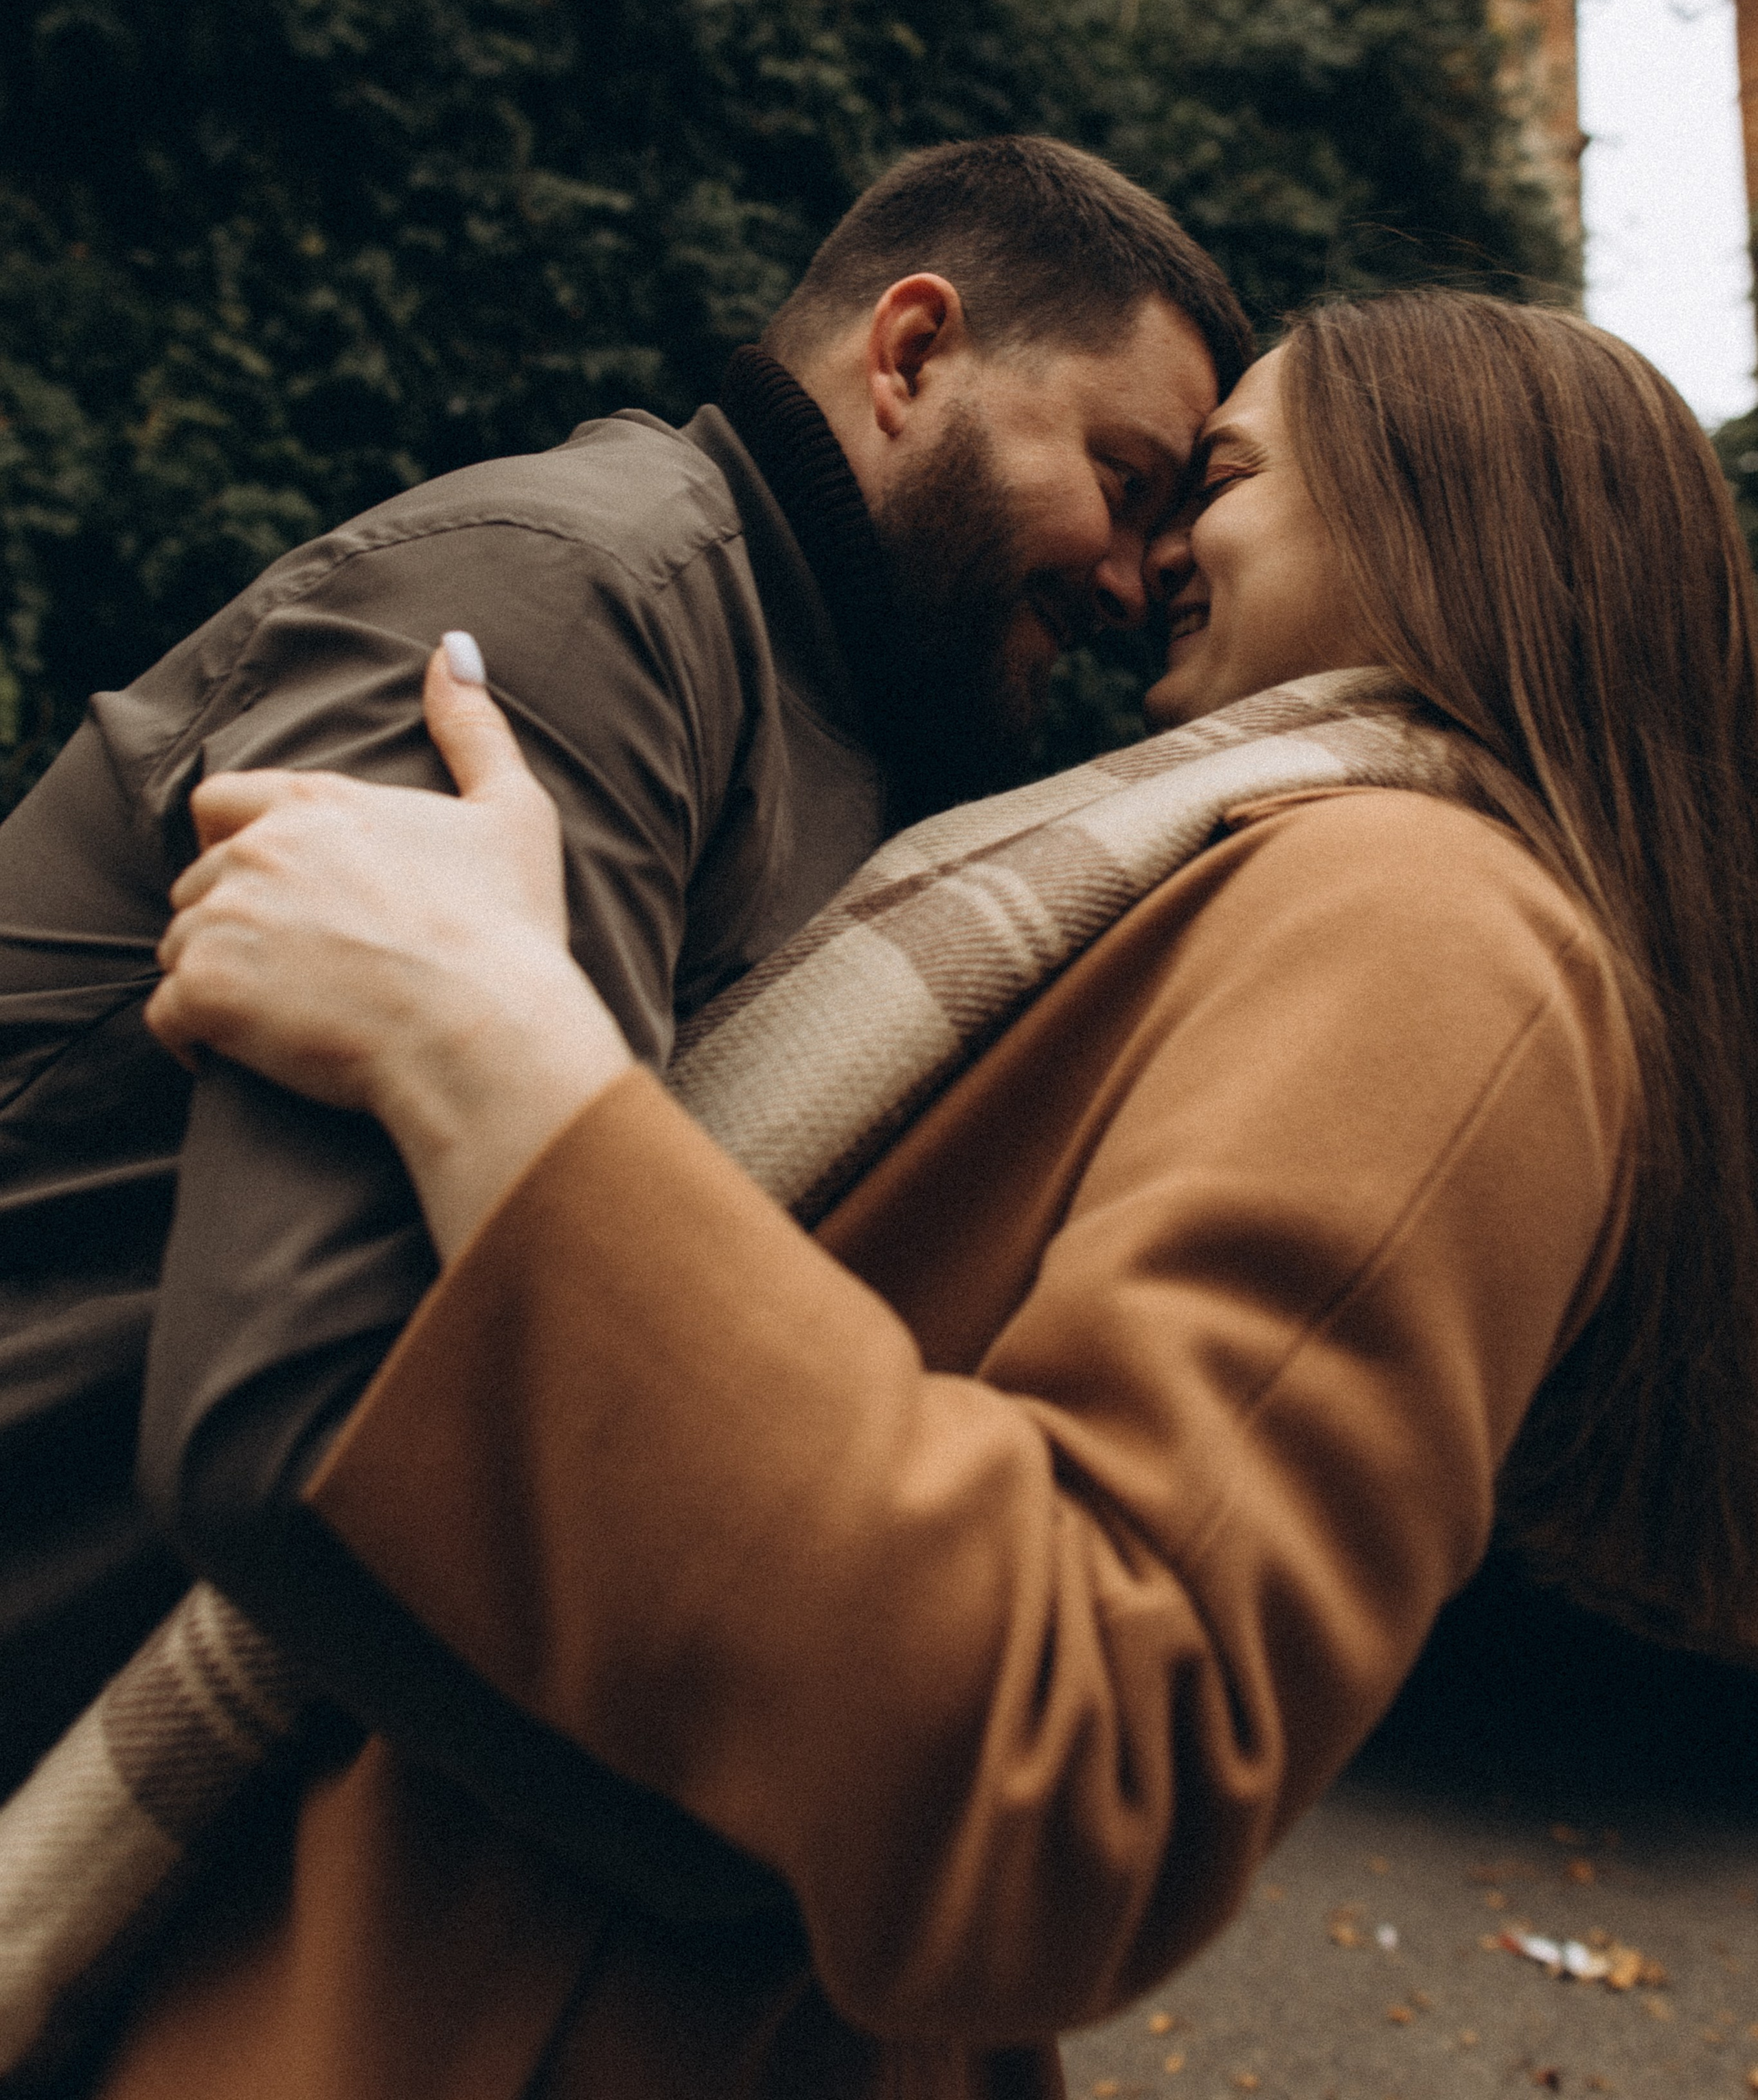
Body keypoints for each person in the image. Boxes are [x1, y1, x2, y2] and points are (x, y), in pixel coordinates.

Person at [100, 293, 1758, 2099]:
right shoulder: (1297, 875)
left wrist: (493, 1048)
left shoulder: (1439, 920)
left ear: (1446, 499)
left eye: (1220, 478)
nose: (1163, 553)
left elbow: (1086, 1769)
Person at [0, 135, 1246, 1805]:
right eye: (1124, 477)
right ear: (912, 350)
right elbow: (326, 1414)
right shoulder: (582, 596)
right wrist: (790, 1862)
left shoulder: (819, 705)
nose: (1125, 578)